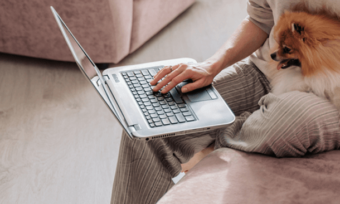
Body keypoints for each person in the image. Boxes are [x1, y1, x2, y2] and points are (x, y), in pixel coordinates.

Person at [111, 0, 340, 203]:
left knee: (286, 119)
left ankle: (214, 144)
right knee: (147, 126)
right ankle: (239, 129)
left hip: (327, 92)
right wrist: (211, 65)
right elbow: (260, 19)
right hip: (268, 71)